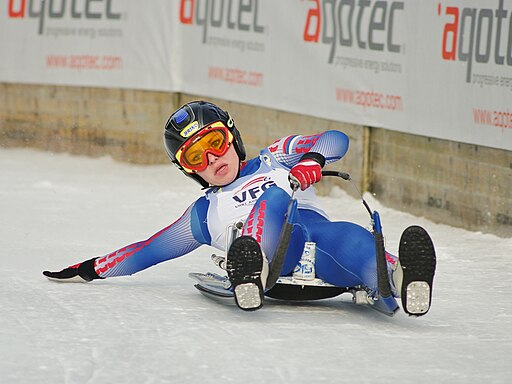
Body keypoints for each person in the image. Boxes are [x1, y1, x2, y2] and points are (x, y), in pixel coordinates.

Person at [44, 101, 436, 315]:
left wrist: (311, 160)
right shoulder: (203, 213)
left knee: (348, 236)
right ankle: (253, 265)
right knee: (275, 199)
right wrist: (92, 268)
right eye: (197, 156)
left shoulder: (275, 158)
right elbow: (148, 250)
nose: (213, 158)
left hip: (321, 246)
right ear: (189, 171)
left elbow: (336, 139)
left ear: (232, 136)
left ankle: (400, 278)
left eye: (215, 142)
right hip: (273, 256)